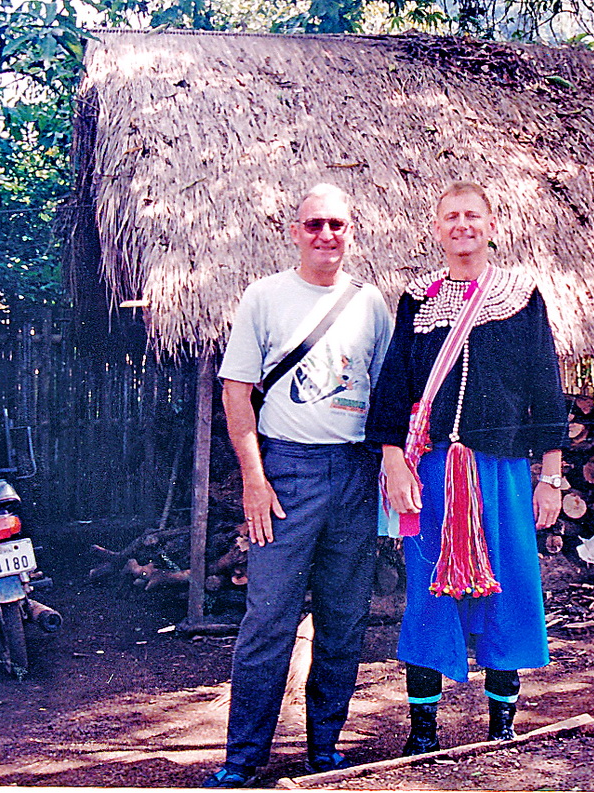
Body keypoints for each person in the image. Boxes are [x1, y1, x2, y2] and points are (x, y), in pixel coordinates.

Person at [366, 181, 566, 755]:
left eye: (472, 216)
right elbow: (395, 388)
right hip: (428, 473)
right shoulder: (416, 299)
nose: (462, 225)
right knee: (428, 591)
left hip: (500, 471)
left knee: (511, 588)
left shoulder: (521, 297)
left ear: (492, 225)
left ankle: (501, 725)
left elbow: (544, 390)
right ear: (437, 228)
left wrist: (548, 477)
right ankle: (422, 731)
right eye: (451, 216)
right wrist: (394, 467)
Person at [205, 183, 393, 787]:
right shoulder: (264, 298)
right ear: (294, 231)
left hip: (356, 474)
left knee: (344, 618)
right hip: (286, 471)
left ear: (351, 230)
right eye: (313, 224)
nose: (325, 236)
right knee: (269, 619)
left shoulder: (372, 305)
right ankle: (244, 760)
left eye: (337, 224)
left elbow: (389, 396)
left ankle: (324, 751)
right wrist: (254, 481)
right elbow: (236, 392)